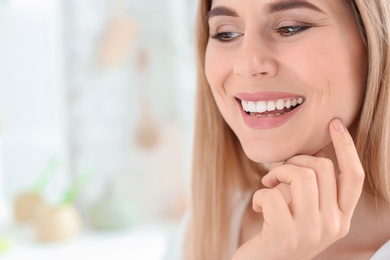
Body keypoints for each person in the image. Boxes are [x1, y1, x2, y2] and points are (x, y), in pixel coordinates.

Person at [182, 0, 390, 259]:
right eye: (226, 33)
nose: (247, 64)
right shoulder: (200, 232)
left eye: (290, 28)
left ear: (373, 43)